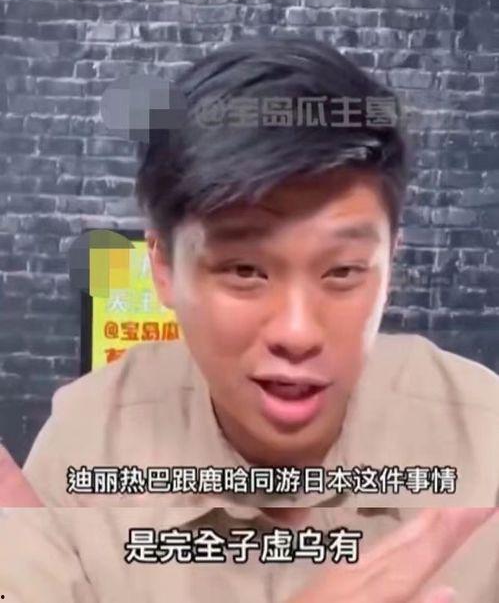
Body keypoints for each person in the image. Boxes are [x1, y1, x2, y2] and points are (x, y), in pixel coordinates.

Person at [0, 35, 498, 601]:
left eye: (342, 271)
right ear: (163, 267)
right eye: (244, 270)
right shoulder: (90, 443)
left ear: (389, 264)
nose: (297, 332)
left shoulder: (485, 442)